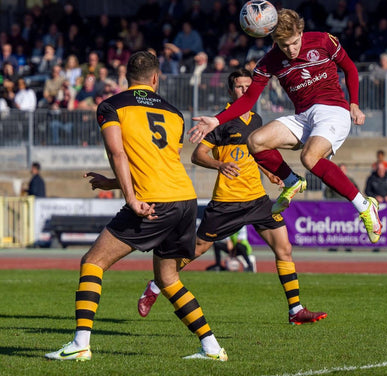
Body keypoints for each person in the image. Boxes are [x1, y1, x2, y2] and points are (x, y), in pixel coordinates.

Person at [45, 50, 227, 362]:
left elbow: (119, 155)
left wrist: (129, 197)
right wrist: (114, 183)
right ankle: (211, 347)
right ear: (156, 78)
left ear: (126, 77)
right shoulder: (173, 113)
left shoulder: (111, 105)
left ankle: (80, 344)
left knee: (93, 262)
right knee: (168, 278)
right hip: (184, 199)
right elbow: (158, 163)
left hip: (151, 200)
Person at [135, 69, 327, 325]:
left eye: (249, 86)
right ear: (230, 90)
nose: (245, 91)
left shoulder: (257, 120)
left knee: (284, 249)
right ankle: (156, 285)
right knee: (196, 250)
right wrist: (219, 166)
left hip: (258, 200)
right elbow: (197, 155)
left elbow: (255, 154)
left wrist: (269, 172)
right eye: (239, 87)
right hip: (228, 202)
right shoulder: (221, 121)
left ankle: (295, 310)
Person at [188, 8, 383, 244]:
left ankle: (365, 206)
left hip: (332, 111)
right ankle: (292, 181)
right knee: (255, 141)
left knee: (309, 158)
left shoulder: (322, 40)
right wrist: (216, 120)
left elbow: (350, 68)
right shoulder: (269, 61)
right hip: (303, 117)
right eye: (283, 45)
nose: (290, 50)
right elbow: (249, 99)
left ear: (300, 32)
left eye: (293, 43)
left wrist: (354, 104)